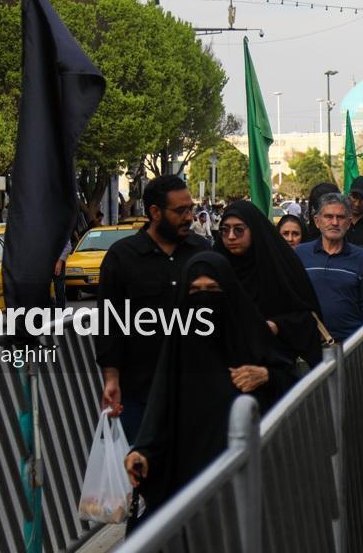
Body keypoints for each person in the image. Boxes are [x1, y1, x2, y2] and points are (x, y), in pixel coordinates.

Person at [123, 252, 295, 525]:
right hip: (188, 471)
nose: (204, 298)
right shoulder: (178, 345)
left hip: (249, 469)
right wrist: (142, 451)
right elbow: (160, 405)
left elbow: (292, 382)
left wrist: (266, 375)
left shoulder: (249, 333)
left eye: (213, 290)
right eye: (195, 290)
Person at [96, 175, 209, 440]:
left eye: (190, 209)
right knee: (143, 472)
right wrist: (111, 379)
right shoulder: (122, 257)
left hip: (197, 389)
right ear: (155, 212)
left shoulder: (202, 252)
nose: (189, 217)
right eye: (180, 211)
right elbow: (109, 323)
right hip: (140, 392)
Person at [216, 200, 325, 367]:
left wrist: (277, 326)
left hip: (276, 371)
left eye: (239, 230)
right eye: (225, 230)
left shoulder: (281, 265)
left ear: (254, 230)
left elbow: (307, 320)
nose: (231, 236)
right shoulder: (215, 267)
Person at [294, 193, 363, 342]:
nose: (334, 222)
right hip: (308, 346)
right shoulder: (300, 253)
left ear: (349, 222)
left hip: (351, 345)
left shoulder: (361, 257)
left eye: (340, 217)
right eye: (328, 216)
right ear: (317, 221)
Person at [52, 236, 72, 309]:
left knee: (59, 288)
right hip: (43, 262)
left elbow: (68, 246)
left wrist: (60, 261)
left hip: (57, 261)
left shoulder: (60, 226)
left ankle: (60, 313)